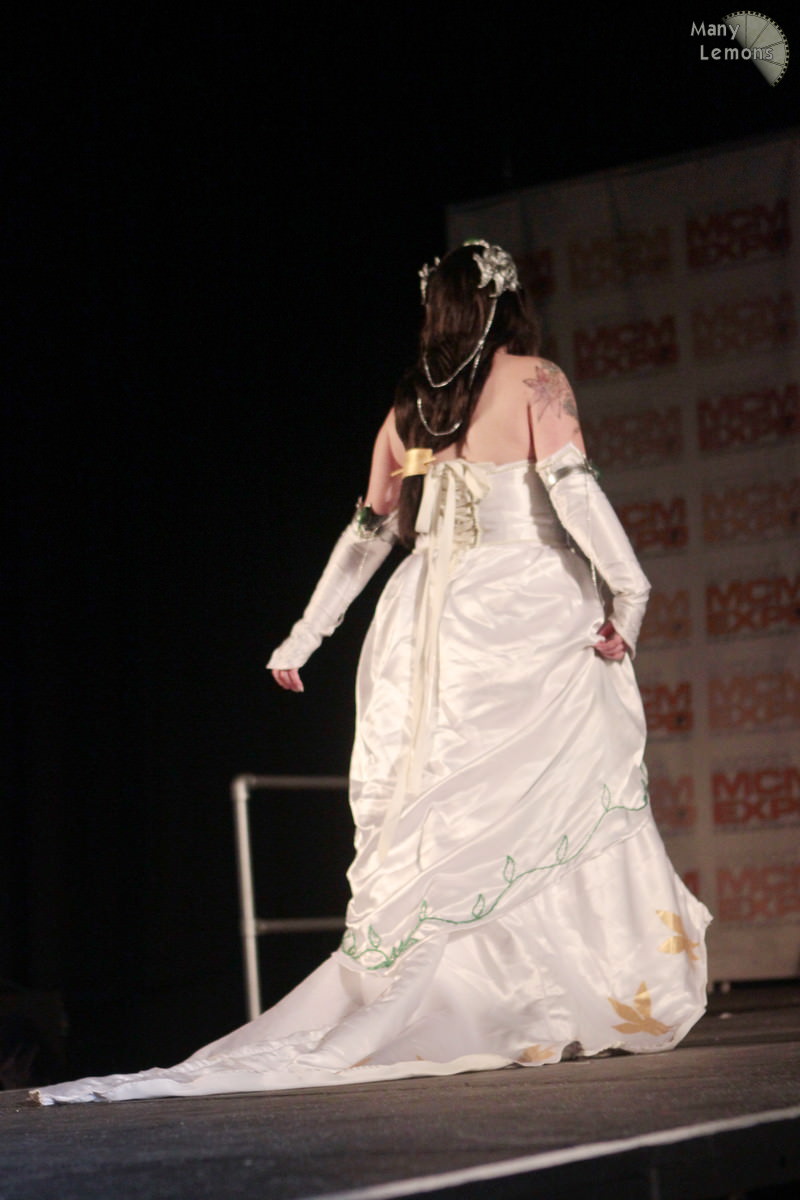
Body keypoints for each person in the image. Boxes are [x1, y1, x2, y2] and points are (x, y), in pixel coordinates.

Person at [33, 241, 710, 1104]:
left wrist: (304, 635)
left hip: (425, 622)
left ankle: (505, 990)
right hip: (522, 604)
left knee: (454, 801)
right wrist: (631, 592)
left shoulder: (408, 408)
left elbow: (369, 532)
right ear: (506, 304)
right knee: (532, 793)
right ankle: (543, 992)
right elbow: (572, 490)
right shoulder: (535, 380)